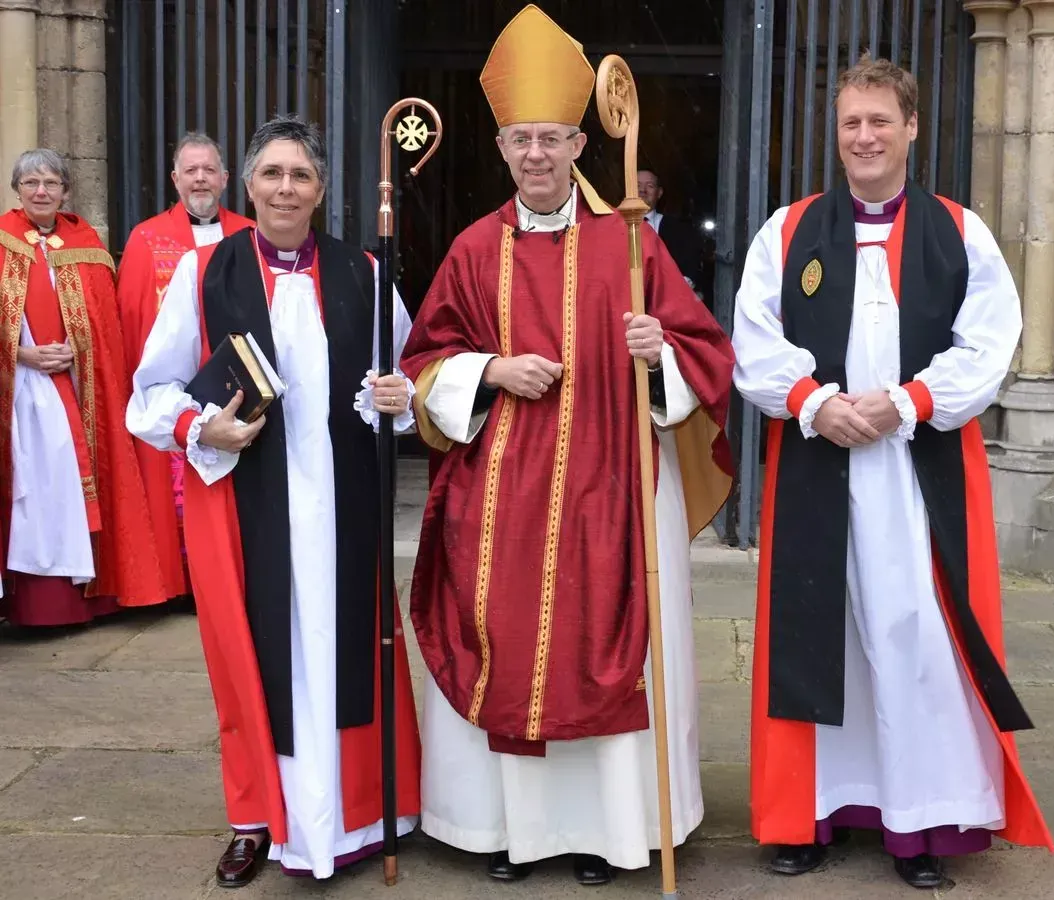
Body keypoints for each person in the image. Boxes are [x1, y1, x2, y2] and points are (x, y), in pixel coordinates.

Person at [399, 4, 734, 888]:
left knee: (611, 643)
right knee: (502, 639)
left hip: (613, 483)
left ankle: (611, 835)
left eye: (552, 139)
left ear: (582, 145)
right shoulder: (473, 252)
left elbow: (707, 354)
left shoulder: (630, 246)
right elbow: (425, 362)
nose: (537, 155)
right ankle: (506, 831)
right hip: (499, 494)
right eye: (521, 141)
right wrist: (489, 371)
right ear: (502, 149)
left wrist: (657, 355)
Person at [731, 55, 1054, 890]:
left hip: (917, 472)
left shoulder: (960, 231)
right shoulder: (788, 230)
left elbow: (989, 343)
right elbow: (755, 341)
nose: (865, 136)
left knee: (920, 641)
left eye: (880, 120)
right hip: (818, 462)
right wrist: (813, 402)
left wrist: (906, 402)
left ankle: (924, 825)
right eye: (851, 123)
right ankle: (809, 816)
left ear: (911, 128)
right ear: (835, 136)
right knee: (820, 635)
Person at [126, 116, 422, 887]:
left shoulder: (364, 271)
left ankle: (358, 813)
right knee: (251, 660)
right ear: (247, 186)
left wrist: (399, 394)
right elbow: (150, 390)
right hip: (248, 507)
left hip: (342, 504)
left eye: (301, 176)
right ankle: (259, 820)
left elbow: (408, 378)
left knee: (344, 649)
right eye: (273, 174)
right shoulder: (205, 275)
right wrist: (202, 426)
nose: (286, 187)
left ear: (321, 191)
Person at [0, 149, 166, 626]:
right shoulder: (4, 240)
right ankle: (26, 605)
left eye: (51, 183)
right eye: (31, 183)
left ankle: (85, 601)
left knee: (71, 491)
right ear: (17, 190)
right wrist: (18, 352)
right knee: (30, 493)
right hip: (18, 390)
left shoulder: (85, 242)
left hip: (76, 390)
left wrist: (83, 351)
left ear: (66, 191)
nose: (41, 192)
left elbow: (105, 323)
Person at [117, 132, 254, 603]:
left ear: (225, 179)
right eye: (190, 170)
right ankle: (177, 584)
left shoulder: (248, 233)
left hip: (235, 386)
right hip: (174, 395)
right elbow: (133, 320)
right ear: (175, 179)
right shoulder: (146, 238)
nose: (200, 179)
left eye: (208, 170)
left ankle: (231, 578)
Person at [637, 168, 703, 294]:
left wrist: (677, 290)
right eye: (637, 185)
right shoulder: (613, 227)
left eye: (649, 186)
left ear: (659, 193)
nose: (642, 191)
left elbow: (690, 270)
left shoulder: (679, 230)